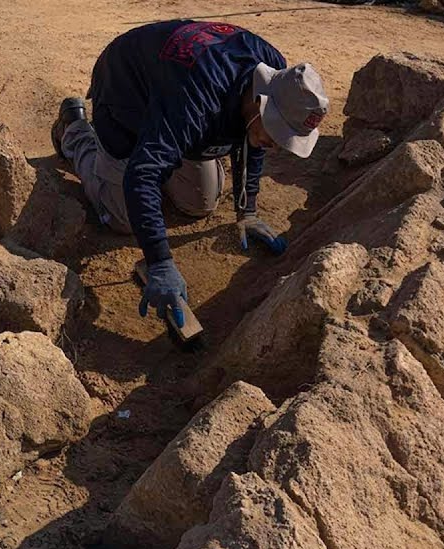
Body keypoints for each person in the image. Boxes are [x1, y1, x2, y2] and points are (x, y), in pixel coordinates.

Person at [50, 20, 329, 327]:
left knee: (201, 202)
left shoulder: (278, 78)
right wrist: (160, 263)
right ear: (260, 102)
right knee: (124, 217)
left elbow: (256, 141)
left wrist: (247, 210)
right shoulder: (198, 99)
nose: (276, 145)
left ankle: (165, 146)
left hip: (171, 100)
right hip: (126, 88)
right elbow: (141, 176)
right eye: (276, 133)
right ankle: (74, 132)